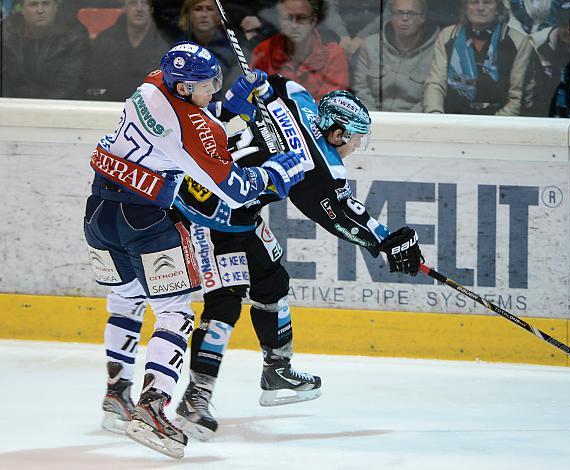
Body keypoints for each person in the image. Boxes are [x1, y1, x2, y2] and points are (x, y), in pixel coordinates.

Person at [169, 75, 424, 439]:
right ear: (337, 133)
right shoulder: (319, 168)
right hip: (207, 210)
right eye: (355, 138)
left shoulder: (297, 100)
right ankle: (196, 397)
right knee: (225, 302)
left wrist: (257, 84)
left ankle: (277, 370)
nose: (355, 146)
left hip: (237, 209)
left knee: (272, 281)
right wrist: (385, 243)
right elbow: (342, 216)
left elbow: (273, 81)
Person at [83, 41, 305, 458]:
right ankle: (152, 408)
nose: (213, 90)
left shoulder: (151, 84)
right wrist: (281, 169)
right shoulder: (190, 131)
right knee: (176, 313)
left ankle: (117, 397)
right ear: (184, 88)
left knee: (125, 299)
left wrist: (230, 105)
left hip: (98, 211)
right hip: (143, 219)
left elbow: (200, 120)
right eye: (206, 85)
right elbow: (235, 190)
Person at [423, 0, 532, 115]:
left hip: (499, 122)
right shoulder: (447, 37)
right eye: (474, 2)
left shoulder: (518, 42)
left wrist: (491, 127)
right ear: (466, 8)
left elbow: (517, 98)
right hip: (452, 119)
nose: (480, 8)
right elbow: (435, 84)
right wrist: (436, 116)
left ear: (498, 8)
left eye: (487, 2)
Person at [250, 0, 349, 101]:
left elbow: (330, 105)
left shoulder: (333, 55)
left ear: (313, 21)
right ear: (279, 20)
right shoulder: (264, 51)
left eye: (301, 18)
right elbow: (254, 98)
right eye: (288, 18)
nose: (294, 25)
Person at [352, 0, 439, 112]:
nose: (404, 18)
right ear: (391, 17)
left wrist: (404, 123)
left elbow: (432, 96)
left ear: (422, 18)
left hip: (415, 122)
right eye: (399, 13)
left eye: (411, 13)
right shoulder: (371, 45)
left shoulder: (436, 51)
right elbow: (360, 89)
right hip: (373, 119)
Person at [1, 0, 90, 99]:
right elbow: (3, 82)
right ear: (22, 10)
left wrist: (39, 109)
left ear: (56, 7)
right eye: (33, 4)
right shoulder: (5, 32)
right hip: (12, 106)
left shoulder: (75, 35)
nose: (40, 10)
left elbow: (69, 85)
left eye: (45, 3)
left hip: (60, 107)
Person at [87, 0, 171, 101]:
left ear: (151, 9)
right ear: (124, 7)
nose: (139, 9)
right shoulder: (104, 40)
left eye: (145, 3)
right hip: (109, 106)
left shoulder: (165, 44)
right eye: (133, 3)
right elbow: (93, 84)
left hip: (150, 110)